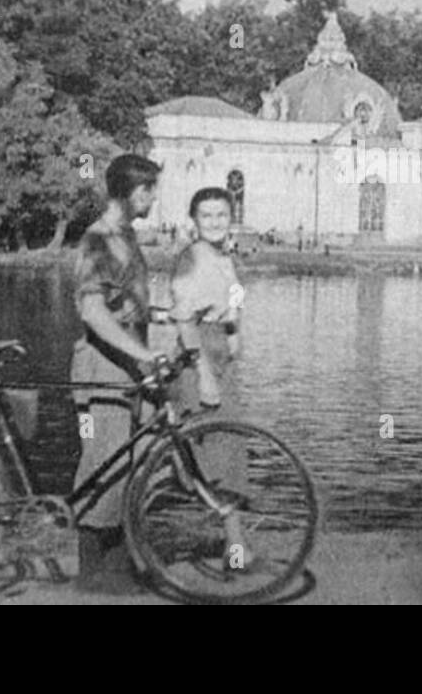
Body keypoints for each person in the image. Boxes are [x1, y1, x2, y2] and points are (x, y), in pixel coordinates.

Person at [69, 154, 171, 580]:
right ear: (130, 192)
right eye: (148, 190)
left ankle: (121, 560)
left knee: (141, 458)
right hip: (104, 366)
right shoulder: (98, 239)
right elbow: (93, 312)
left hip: (129, 361)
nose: (153, 197)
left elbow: (123, 301)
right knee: (105, 463)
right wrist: (144, 354)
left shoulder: (125, 235)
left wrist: (160, 315)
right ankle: (94, 575)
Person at [169, 186, 251, 567]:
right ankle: (234, 548)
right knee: (211, 457)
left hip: (221, 354)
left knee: (228, 453)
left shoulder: (224, 257)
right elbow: (185, 321)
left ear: (230, 219)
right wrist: (203, 373)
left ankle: (235, 547)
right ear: (195, 221)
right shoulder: (192, 259)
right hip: (199, 355)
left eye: (221, 215)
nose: (215, 222)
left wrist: (234, 336)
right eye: (207, 216)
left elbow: (234, 301)